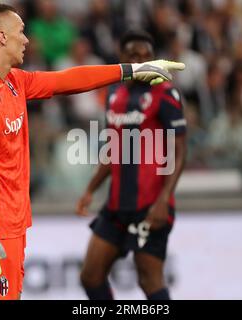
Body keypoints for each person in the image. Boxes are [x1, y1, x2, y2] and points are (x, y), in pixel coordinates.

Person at [0, 4, 184, 300]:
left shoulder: (13, 82)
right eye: (21, 31)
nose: (27, 39)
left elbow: (66, 80)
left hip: (11, 220)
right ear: (2, 37)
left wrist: (132, 71)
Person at [75, 30, 187, 300]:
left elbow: (179, 150)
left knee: (149, 280)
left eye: (146, 55)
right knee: (90, 276)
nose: (141, 60)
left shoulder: (166, 93)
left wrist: (164, 199)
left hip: (150, 206)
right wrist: (91, 188)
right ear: (122, 57)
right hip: (116, 206)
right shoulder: (114, 92)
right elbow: (114, 148)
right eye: (134, 55)